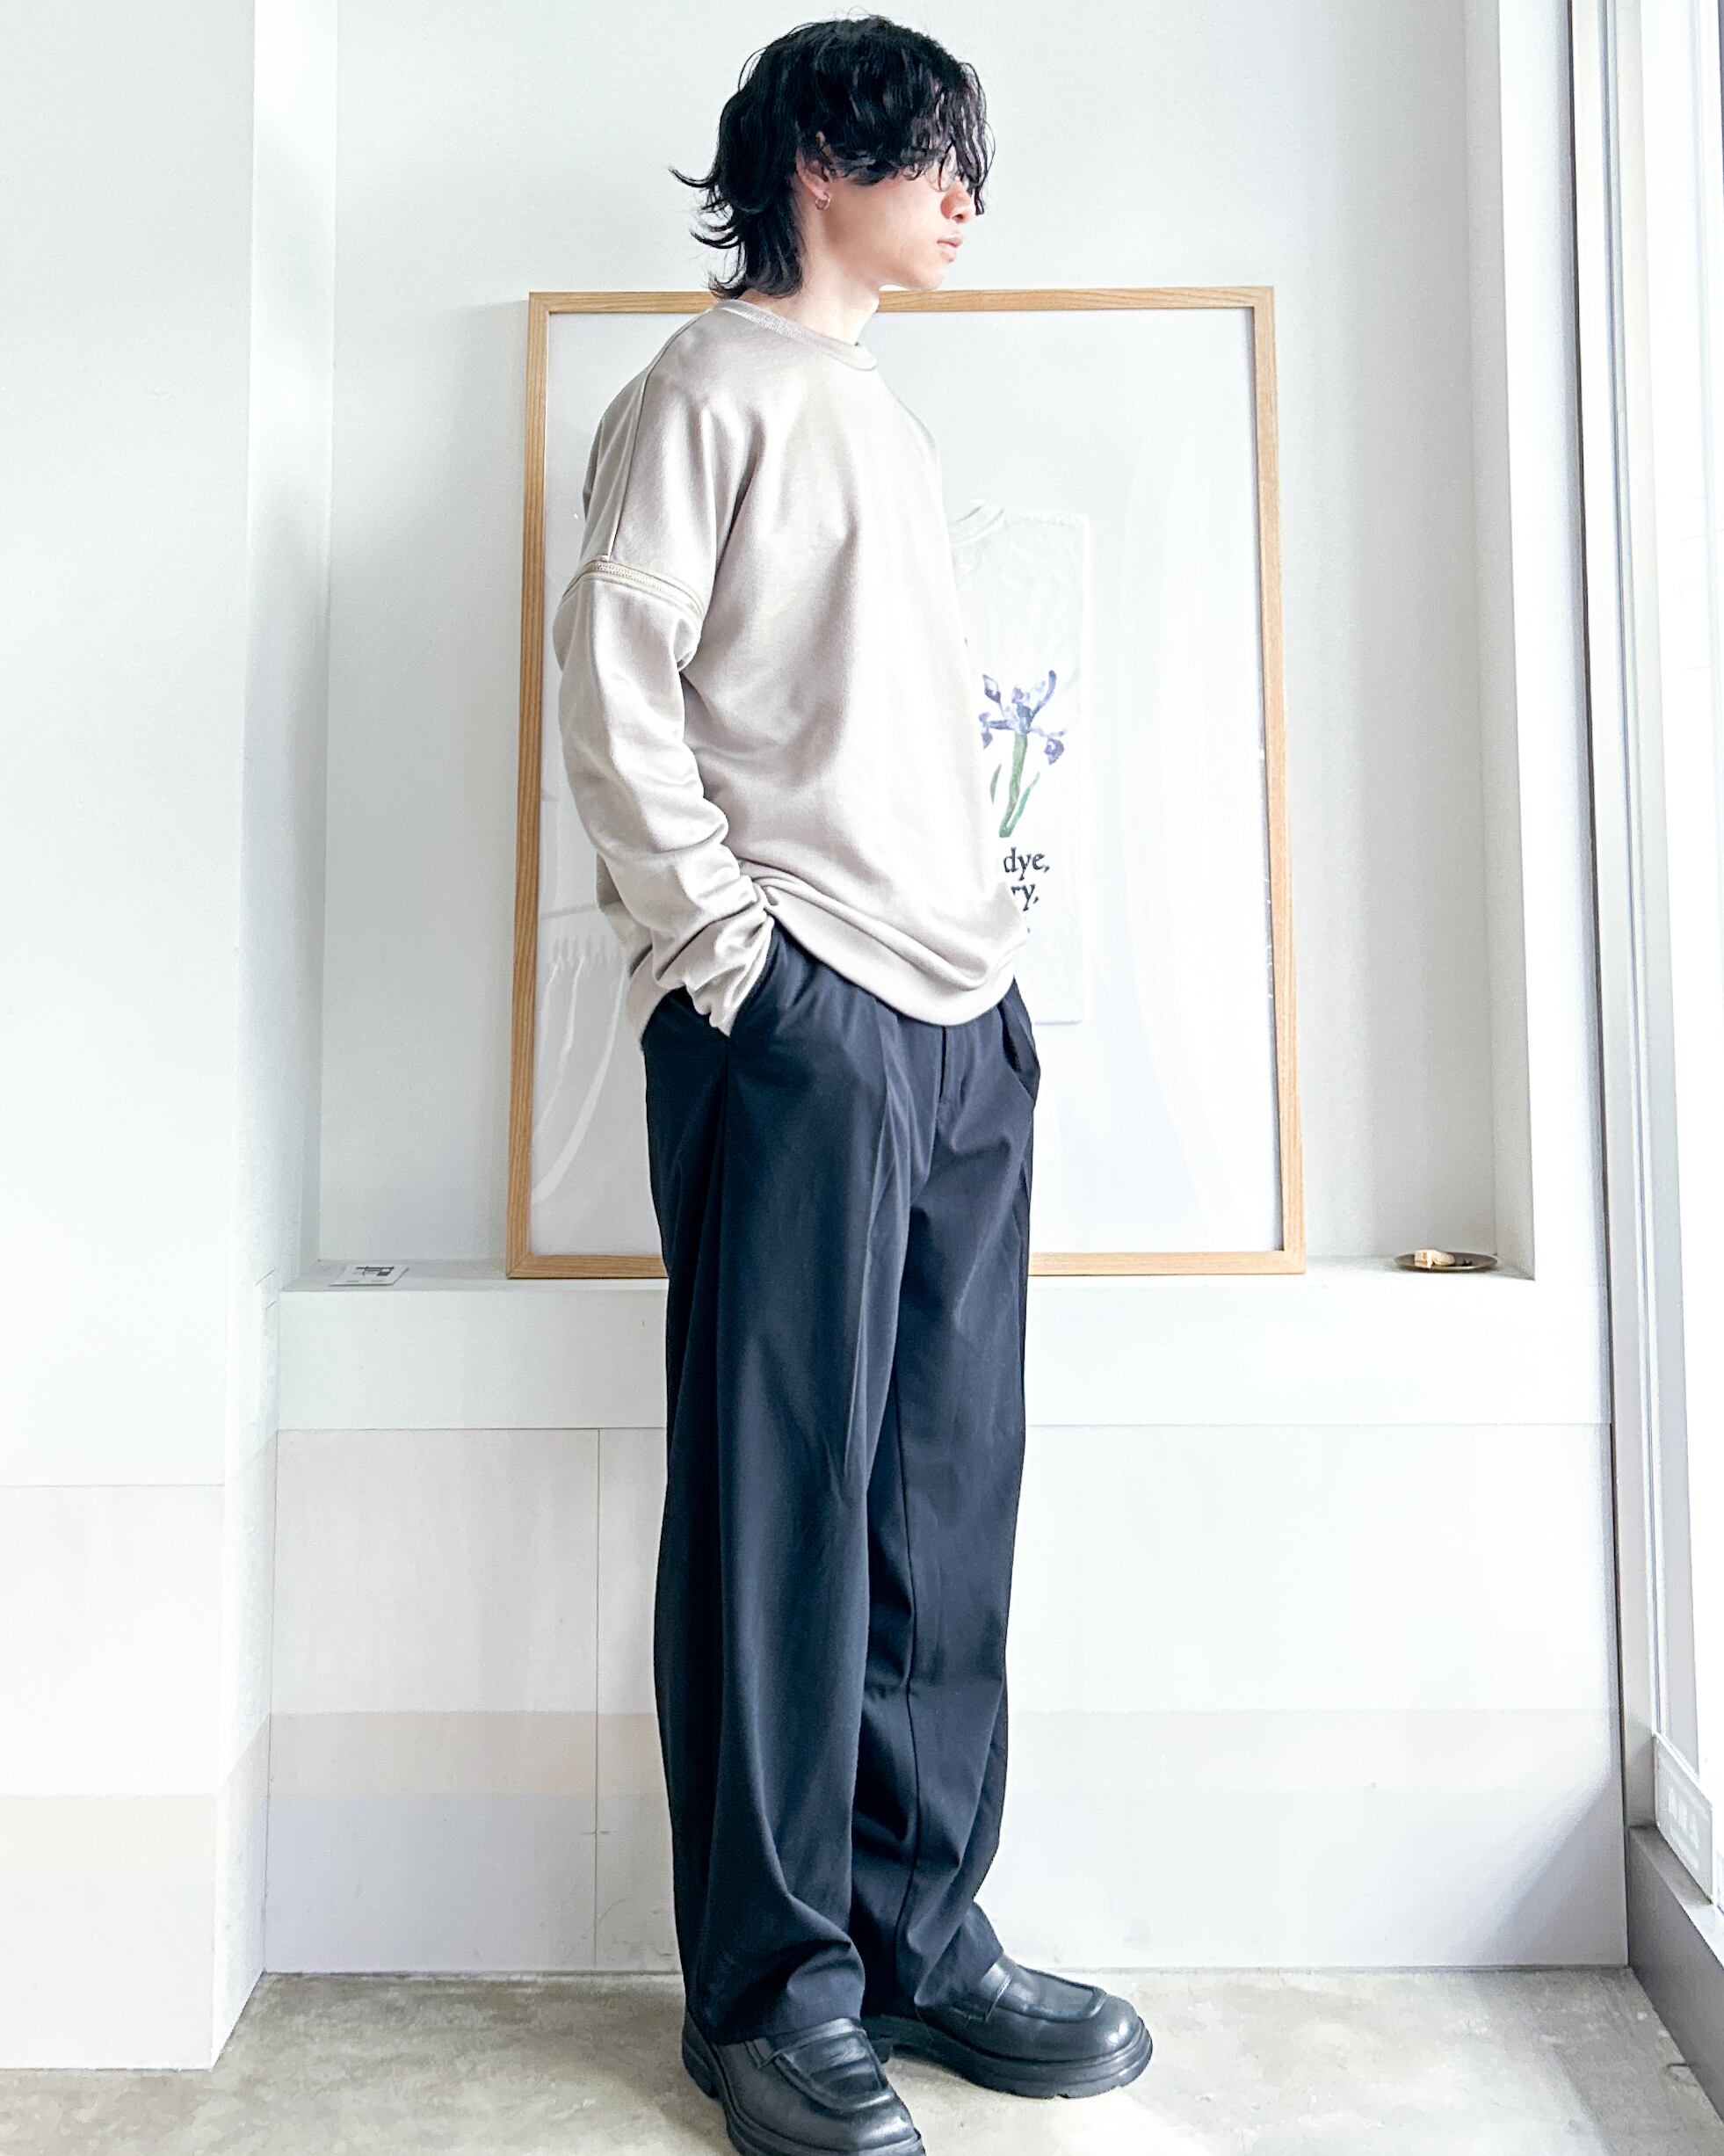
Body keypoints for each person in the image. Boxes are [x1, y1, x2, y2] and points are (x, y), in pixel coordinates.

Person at [552, 18, 1153, 2153]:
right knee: (783, 1508)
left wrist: (983, 990)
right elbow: (614, 688)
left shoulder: (879, 415)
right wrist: (737, 962)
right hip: (796, 1018)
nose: (969, 200)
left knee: (941, 1502)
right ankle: (766, 1992)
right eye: (939, 159)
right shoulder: (702, 393)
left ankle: (917, 1934)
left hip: (955, 1019)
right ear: (824, 152)